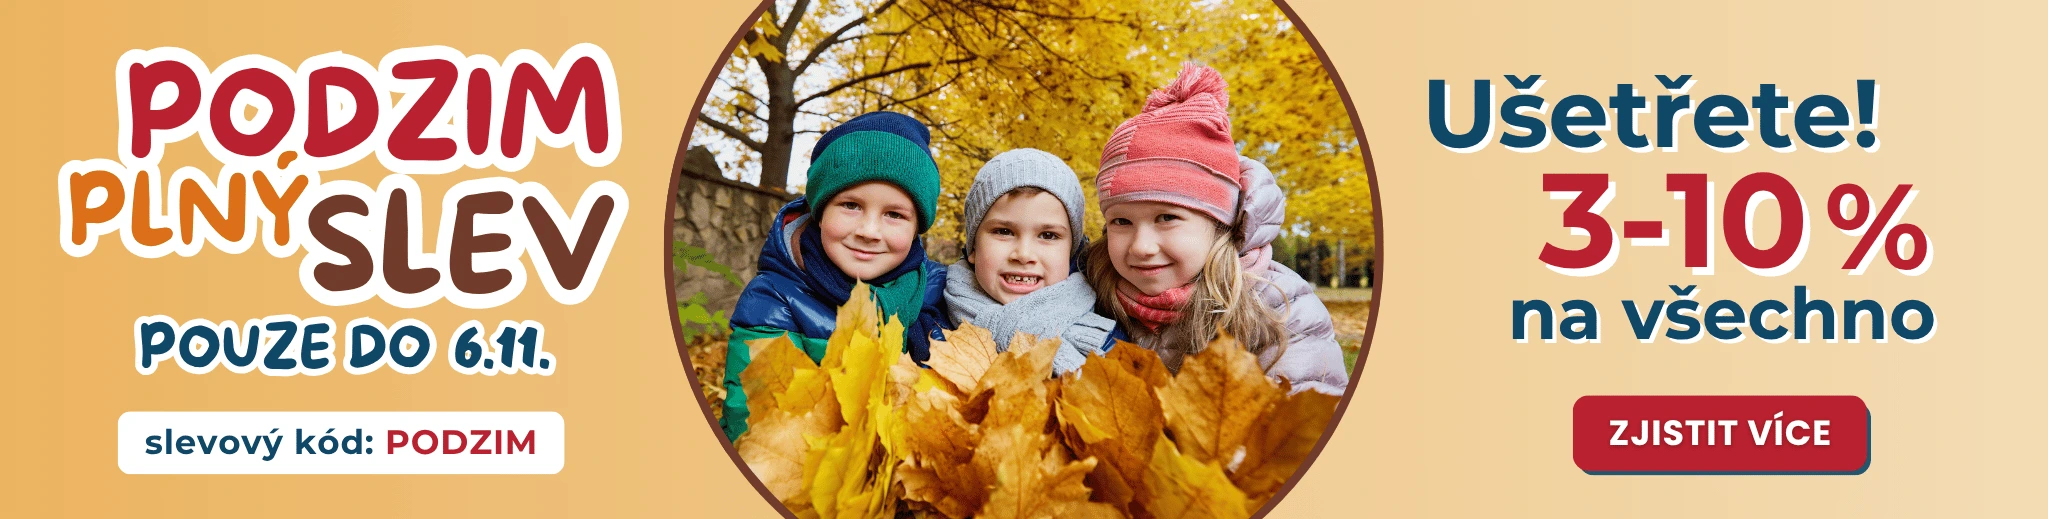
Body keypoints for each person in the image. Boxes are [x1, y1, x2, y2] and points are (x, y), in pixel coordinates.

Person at [1085, 63, 1348, 394]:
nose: (1141, 246)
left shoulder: (1279, 309)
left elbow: (1305, 414)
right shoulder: (1090, 292)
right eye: (1121, 221)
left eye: (1166, 218)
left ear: (1218, 222)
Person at [720, 111, 950, 438]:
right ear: (820, 210)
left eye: (894, 214)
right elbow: (758, 434)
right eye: (851, 205)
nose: (869, 231)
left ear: (916, 229)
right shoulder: (774, 300)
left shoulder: (929, 295)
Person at [942, 148, 1120, 375]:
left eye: (1048, 235)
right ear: (973, 247)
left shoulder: (1109, 335)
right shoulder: (928, 324)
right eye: (1004, 231)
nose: (1024, 254)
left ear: (1070, 251)